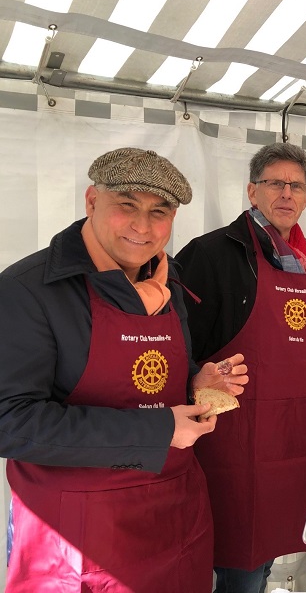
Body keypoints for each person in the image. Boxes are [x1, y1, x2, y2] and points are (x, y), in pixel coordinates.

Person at [0, 147, 247, 592]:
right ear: (92, 200)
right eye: (127, 206)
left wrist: (197, 382)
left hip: (174, 513)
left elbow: (159, 375)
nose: (143, 226)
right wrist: (156, 431)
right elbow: (10, 422)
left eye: (160, 212)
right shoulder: (27, 291)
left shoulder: (169, 282)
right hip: (79, 532)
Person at [176, 142, 306, 593]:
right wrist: (197, 375)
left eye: (296, 185)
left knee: (264, 556)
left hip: (289, 438)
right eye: (274, 183)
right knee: (225, 560)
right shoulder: (211, 253)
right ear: (251, 191)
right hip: (231, 442)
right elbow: (174, 345)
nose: (286, 193)